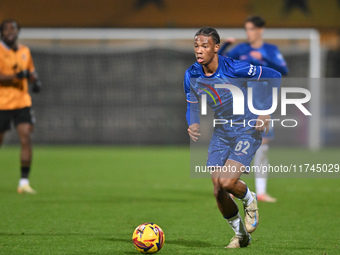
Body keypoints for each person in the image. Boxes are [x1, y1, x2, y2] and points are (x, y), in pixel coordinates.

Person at [184, 27, 281, 248]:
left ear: (216, 48)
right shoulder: (191, 74)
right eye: (196, 46)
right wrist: (193, 123)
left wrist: (266, 110)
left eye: (205, 46)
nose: (199, 51)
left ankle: (250, 199)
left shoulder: (234, 68)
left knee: (228, 182)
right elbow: (191, 105)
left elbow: (273, 76)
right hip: (222, 133)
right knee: (218, 190)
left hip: (247, 129)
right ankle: (241, 235)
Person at [218, 16, 289, 202]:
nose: (248, 33)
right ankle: (233, 185)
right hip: (241, 104)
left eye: (251, 29)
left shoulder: (270, 50)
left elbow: (283, 70)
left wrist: (263, 58)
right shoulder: (241, 49)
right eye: (246, 29)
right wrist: (225, 45)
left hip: (264, 103)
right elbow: (220, 61)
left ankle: (261, 191)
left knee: (263, 146)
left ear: (260, 30)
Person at [0, 19, 42, 194]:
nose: (11, 31)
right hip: (2, 102)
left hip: (22, 102)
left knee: (26, 137)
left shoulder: (25, 51)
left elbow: (31, 72)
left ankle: (24, 182)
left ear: (18, 32)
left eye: (14, 29)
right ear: (2, 33)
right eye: (7, 29)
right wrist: (17, 76)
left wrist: (35, 81)